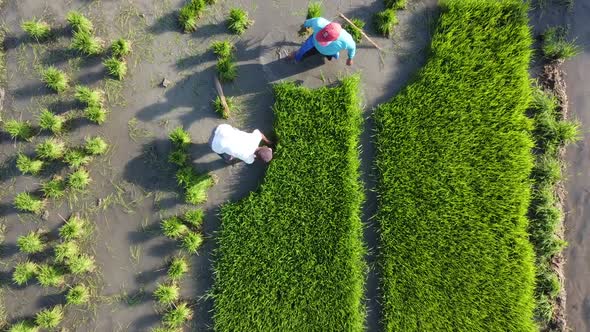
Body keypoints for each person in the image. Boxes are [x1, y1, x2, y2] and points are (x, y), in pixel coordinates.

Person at [290, 17, 356, 66]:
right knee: (303, 49)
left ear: (335, 39)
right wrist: (304, 27)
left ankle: (333, 55)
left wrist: (350, 58)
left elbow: (352, 48)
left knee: (333, 55)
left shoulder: (346, 40)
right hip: (313, 41)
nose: (320, 41)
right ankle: (297, 57)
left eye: (324, 41)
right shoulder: (318, 23)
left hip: (330, 51)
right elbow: (307, 22)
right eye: (321, 36)